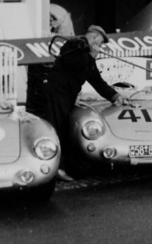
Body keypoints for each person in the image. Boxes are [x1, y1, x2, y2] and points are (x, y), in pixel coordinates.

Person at [43, 26, 131, 167]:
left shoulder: (88, 56)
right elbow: (72, 63)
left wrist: (115, 96)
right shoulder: (72, 44)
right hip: (57, 94)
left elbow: (96, 80)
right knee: (56, 129)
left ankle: (61, 166)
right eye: (100, 42)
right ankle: (55, 167)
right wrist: (91, 56)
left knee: (64, 130)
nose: (100, 46)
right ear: (94, 37)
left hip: (66, 97)